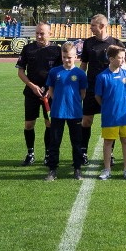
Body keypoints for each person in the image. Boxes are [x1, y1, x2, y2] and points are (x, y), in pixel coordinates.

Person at [80, 14, 126, 166]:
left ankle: (110, 155)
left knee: (113, 121)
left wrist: (125, 76)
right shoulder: (88, 43)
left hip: (111, 90)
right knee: (87, 120)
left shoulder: (116, 43)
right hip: (91, 88)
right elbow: (83, 65)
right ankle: (83, 151)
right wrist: (80, 82)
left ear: (102, 26)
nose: (91, 29)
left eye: (93, 26)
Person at [15, 21, 61, 166]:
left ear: (50, 34)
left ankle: (48, 154)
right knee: (29, 124)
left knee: (49, 124)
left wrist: (49, 89)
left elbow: (61, 73)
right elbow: (20, 71)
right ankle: (30, 153)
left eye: (42, 33)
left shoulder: (57, 50)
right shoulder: (28, 49)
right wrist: (32, 86)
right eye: (37, 33)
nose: (39, 36)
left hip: (50, 93)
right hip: (31, 93)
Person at [44, 41, 87, 181]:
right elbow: (51, 90)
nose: (67, 59)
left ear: (75, 56)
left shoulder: (80, 73)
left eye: (69, 57)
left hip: (75, 113)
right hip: (57, 112)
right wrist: (60, 101)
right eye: (64, 57)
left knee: (77, 142)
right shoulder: (54, 72)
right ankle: (52, 170)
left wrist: (72, 102)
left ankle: (77, 169)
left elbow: (82, 93)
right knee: (54, 142)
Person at [94, 45, 126, 180]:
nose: (123, 60)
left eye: (123, 57)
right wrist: (108, 107)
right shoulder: (102, 77)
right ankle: (107, 169)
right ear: (111, 59)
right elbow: (98, 96)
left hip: (125, 115)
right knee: (108, 142)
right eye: (120, 58)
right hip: (110, 116)